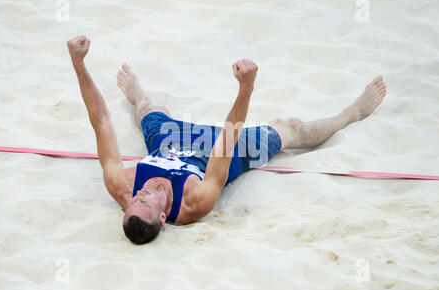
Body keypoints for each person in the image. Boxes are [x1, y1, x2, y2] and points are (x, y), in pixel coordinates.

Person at [67, 35, 387, 245]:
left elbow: (102, 121)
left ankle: (137, 92)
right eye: (147, 200)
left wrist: (79, 64)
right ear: (164, 218)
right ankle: (352, 112)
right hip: (217, 154)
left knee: (149, 109)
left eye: (135, 199)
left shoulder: (122, 185)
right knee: (289, 127)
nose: (143, 192)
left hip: (169, 144)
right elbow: (227, 139)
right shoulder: (195, 201)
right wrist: (245, 89)